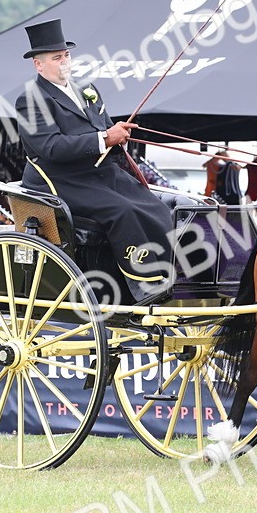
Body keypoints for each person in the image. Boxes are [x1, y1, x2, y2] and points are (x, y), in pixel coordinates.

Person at [14, 19, 174, 304]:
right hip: (60, 181)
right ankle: (140, 283)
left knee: (153, 205)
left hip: (97, 173)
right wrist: (104, 138)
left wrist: (118, 135)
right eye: (56, 58)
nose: (64, 62)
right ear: (39, 65)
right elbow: (50, 148)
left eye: (66, 55)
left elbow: (104, 128)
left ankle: (166, 271)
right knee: (122, 210)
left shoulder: (87, 90)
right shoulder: (30, 101)